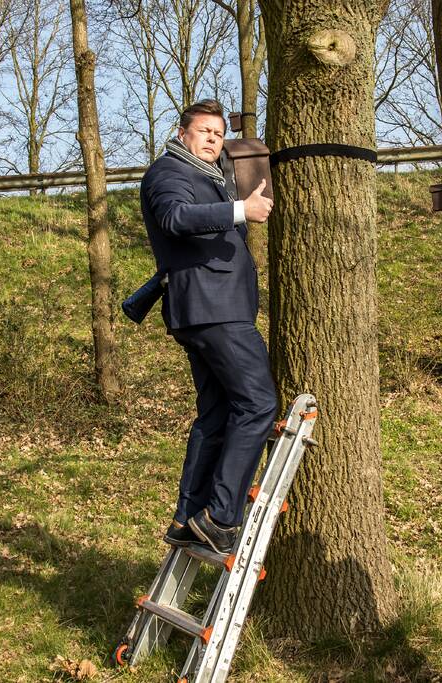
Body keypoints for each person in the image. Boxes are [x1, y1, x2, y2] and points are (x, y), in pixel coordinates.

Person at [140, 98, 277, 555]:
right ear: (183, 135)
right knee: (258, 404)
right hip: (214, 311)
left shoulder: (211, 178)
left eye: (219, 133)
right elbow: (175, 218)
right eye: (204, 131)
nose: (213, 139)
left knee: (217, 415)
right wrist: (240, 211)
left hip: (211, 309)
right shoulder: (169, 172)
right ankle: (219, 517)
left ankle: (186, 519)